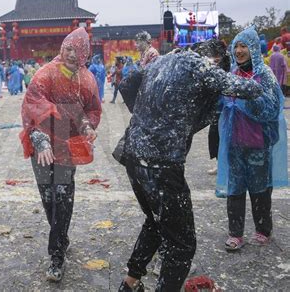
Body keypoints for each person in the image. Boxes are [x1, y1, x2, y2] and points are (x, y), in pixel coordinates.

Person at [116, 39, 263, 292]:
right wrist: (262, 79)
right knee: (182, 244)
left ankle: (130, 283)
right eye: (217, 65)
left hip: (132, 154)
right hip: (161, 163)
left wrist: (146, 119)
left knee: (155, 221)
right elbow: (248, 89)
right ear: (212, 58)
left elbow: (126, 84)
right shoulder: (200, 65)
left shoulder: (163, 60)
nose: (215, 71)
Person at [20, 27, 101, 282]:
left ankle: (56, 256)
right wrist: (40, 138)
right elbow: (30, 106)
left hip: (67, 147)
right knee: (49, 199)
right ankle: (61, 237)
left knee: (63, 197)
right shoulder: (46, 75)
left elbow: (92, 110)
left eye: (78, 51)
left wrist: (87, 125)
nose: (72, 55)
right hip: (41, 147)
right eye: (69, 48)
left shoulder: (88, 80)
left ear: (86, 54)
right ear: (62, 48)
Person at [216, 27, 287, 251]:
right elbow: (220, 103)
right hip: (234, 142)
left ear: (254, 48)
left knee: (260, 189)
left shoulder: (264, 74)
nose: (239, 51)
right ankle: (235, 233)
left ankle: (262, 229)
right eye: (236, 46)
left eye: (243, 46)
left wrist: (246, 98)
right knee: (235, 188)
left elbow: (273, 107)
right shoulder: (232, 74)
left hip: (258, 143)